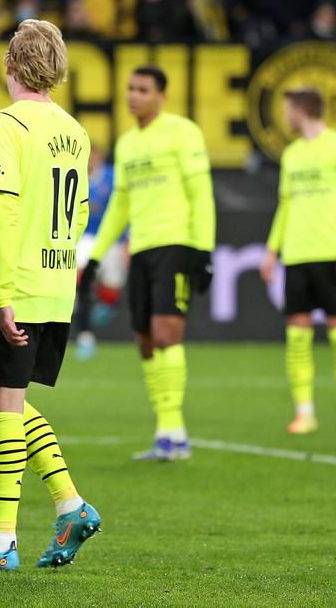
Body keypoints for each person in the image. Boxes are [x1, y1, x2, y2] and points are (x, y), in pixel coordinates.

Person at [0, 19, 100, 572]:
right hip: (57, 283)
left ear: (8, 65)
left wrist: (4, 296)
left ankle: (0, 545)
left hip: (13, 288)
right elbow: (81, 211)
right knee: (4, 402)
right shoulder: (75, 131)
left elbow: (2, 208)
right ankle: (70, 505)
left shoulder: (3, 125)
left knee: (2, 410)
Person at [80, 65, 216, 462]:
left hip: (177, 243)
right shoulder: (128, 144)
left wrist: (203, 251)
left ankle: (174, 433)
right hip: (139, 248)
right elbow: (120, 206)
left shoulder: (182, 131)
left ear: (161, 96)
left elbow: (200, 192)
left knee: (166, 331)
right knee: (144, 338)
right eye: (130, 89)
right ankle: (165, 431)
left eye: (143, 89)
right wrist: (94, 257)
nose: (133, 96)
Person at [259, 88, 336, 436]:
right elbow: (286, 206)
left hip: (331, 254)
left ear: (300, 110)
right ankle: (304, 412)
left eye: (287, 110)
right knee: (297, 337)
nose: (285, 117)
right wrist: (272, 250)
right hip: (296, 255)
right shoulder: (291, 154)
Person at [72, 142, 127, 360]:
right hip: (85, 238)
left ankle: (108, 304)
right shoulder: (75, 177)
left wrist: (127, 241)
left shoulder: (113, 178)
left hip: (112, 239)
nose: (89, 162)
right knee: (80, 281)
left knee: (112, 288)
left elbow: (125, 206)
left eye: (92, 157)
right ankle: (85, 337)